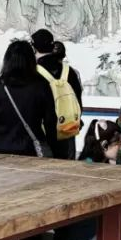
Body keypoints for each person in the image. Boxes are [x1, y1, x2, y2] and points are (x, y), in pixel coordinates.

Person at [0, 41, 59, 240]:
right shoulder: (40, 85)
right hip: (30, 157)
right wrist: (54, 154)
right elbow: (51, 122)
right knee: (30, 212)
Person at [32, 29, 83, 160]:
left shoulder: (33, 72)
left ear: (34, 48)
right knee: (67, 169)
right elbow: (78, 100)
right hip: (67, 130)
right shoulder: (69, 71)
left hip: (43, 135)